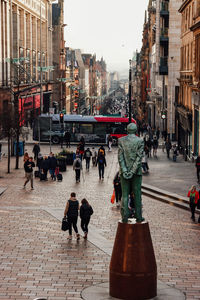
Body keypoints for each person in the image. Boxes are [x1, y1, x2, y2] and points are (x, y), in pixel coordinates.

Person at [118, 123, 144, 223]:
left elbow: (120, 157)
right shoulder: (140, 141)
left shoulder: (121, 140)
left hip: (124, 172)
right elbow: (139, 158)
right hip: (136, 173)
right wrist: (133, 171)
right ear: (136, 130)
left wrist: (125, 170)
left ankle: (124, 216)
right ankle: (138, 216)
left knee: (124, 195)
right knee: (137, 194)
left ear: (127, 130)